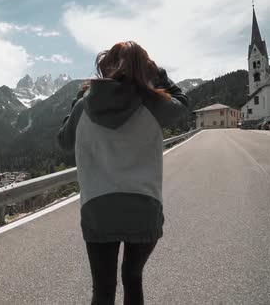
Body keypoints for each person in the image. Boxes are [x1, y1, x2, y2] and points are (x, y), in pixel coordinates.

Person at [57, 41, 188, 305]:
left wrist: (78, 98)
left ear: (105, 67)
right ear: (145, 68)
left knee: (103, 290)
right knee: (133, 278)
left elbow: (64, 141)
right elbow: (184, 103)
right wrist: (159, 74)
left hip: (98, 209)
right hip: (144, 207)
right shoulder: (153, 103)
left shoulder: (84, 105)